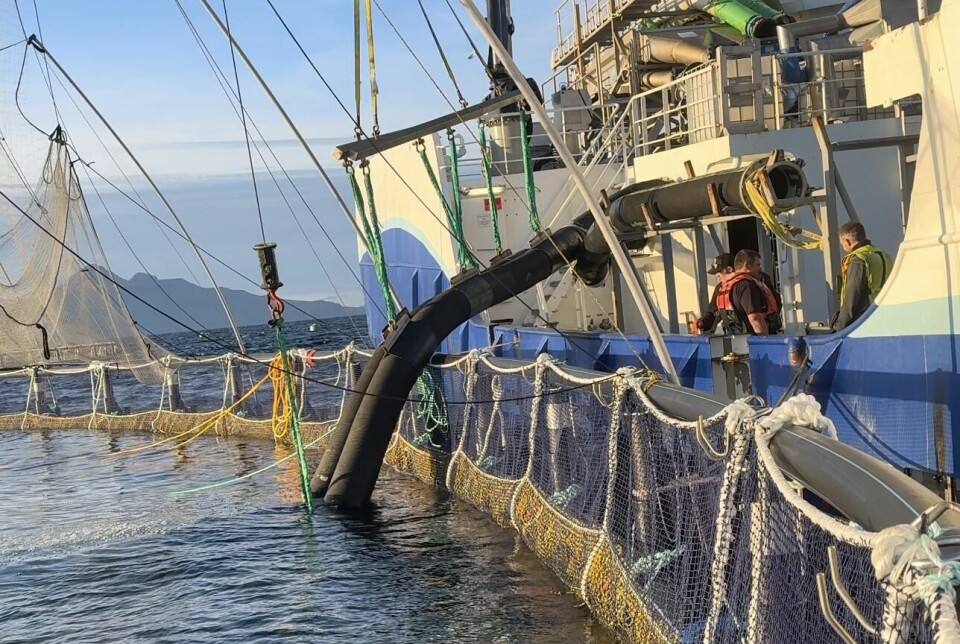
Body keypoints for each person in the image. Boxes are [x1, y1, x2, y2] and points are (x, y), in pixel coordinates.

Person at [697, 252, 782, 334]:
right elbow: (713, 312)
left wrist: (764, 341)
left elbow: (757, 316)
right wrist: (702, 323)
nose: (716, 275)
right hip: (735, 337)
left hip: (755, 336)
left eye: (719, 271)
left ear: (730, 269)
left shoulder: (752, 282)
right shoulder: (721, 288)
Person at [830, 221, 892, 331]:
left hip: (864, 321)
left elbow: (852, 295)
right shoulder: (883, 256)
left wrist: (839, 326)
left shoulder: (858, 259)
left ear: (847, 242)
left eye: (842, 243)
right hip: (884, 316)